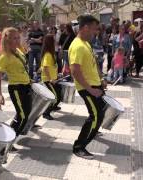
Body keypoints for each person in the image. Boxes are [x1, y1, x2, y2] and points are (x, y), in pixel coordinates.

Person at [69, 15, 107, 159]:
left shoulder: (86, 43)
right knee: (96, 116)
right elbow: (75, 71)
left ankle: (93, 131)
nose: (95, 32)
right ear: (85, 27)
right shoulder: (77, 45)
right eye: (93, 29)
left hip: (95, 84)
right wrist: (91, 89)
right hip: (87, 87)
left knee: (99, 114)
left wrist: (101, 79)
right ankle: (79, 147)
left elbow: (93, 63)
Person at [0, 27, 32, 145]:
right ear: (7, 40)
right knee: (23, 117)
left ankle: (9, 135)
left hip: (26, 86)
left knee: (23, 114)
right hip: (16, 88)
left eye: (18, 38)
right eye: (14, 38)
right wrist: (0, 95)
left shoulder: (18, 51)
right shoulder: (4, 57)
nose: (17, 40)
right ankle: (8, 142)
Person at [40, 34, 62, 120]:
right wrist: (50, 79)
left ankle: (54, 106)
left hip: (53, 79)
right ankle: (46, 113)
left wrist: (57, 75)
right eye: (53, 40)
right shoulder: (48, 55)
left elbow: (51, 66)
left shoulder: (51, 54)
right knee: (55, 97)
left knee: (59, 93)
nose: (55, 42)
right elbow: (45, 67)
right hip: (48, 80)